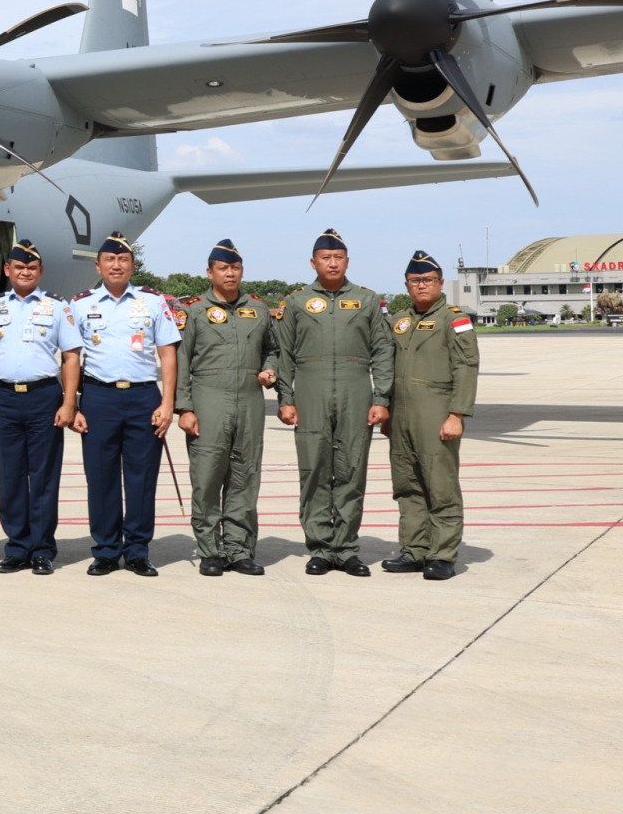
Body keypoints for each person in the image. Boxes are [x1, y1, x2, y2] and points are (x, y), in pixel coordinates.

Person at [274, 229, 394, 578]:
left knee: (351, 470)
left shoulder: (368, 300)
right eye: (325, 258)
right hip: (310, 391)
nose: (332, 262)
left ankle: (345, 548)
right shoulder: (295, 302)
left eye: (338, 257)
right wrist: (286, 398)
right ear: (313, 263)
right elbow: (284, 355)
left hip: (356, 390)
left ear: (347, 261)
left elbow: (382, 351)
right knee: (314, 470)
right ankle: (320, 548)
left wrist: (381, 397)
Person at [69, 234, 180, 577]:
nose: (116, 265)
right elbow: (71, 357)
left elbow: (168, 353)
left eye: (123, 260)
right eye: (109, 260)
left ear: (132, 265)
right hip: (98, 397)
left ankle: (137, 550)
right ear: (97, 265)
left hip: (143, 396)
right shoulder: (81, 304)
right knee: (100, 477)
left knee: (142, 477)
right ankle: (105, 550)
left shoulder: (152, 302)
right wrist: (73, 405)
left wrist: (167, 402)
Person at [0, 239, 81, 576]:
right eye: (18, 267)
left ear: (40, 272)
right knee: (11, 476)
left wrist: (69, 401)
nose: (24, 272)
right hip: (5, 397)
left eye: (31, 268)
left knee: (45, 478)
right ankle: (17, 547)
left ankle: (42, 549)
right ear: (7, 271)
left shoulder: (56, 307)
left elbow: (71, 357)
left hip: (44, 397)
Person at [173, 239, 278, 577]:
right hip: (208, 399)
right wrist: (184, 408)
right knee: (206, 478)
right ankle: (210, 550)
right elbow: (181, 361)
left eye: (235, 268)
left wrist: (269, 369)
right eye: (223, 268)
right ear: (210, 272)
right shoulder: (192, 310)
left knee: (245, 477)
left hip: (249, 399)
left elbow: (272, 349)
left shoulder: (259, 310)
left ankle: (239, 549)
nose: (230, 273)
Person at [379, 251, 478, 582]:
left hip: (436, 413)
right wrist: (387, 413)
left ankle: (443, 554)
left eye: (428, 280)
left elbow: (466, 366)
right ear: (406, 285)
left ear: (439, 282)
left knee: (440, 485)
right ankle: (414, 549)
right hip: (402, 415)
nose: (421, 286)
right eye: (415, 281)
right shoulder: (399, 320)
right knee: (407, 485)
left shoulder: (454, 319)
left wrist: (457, 414)